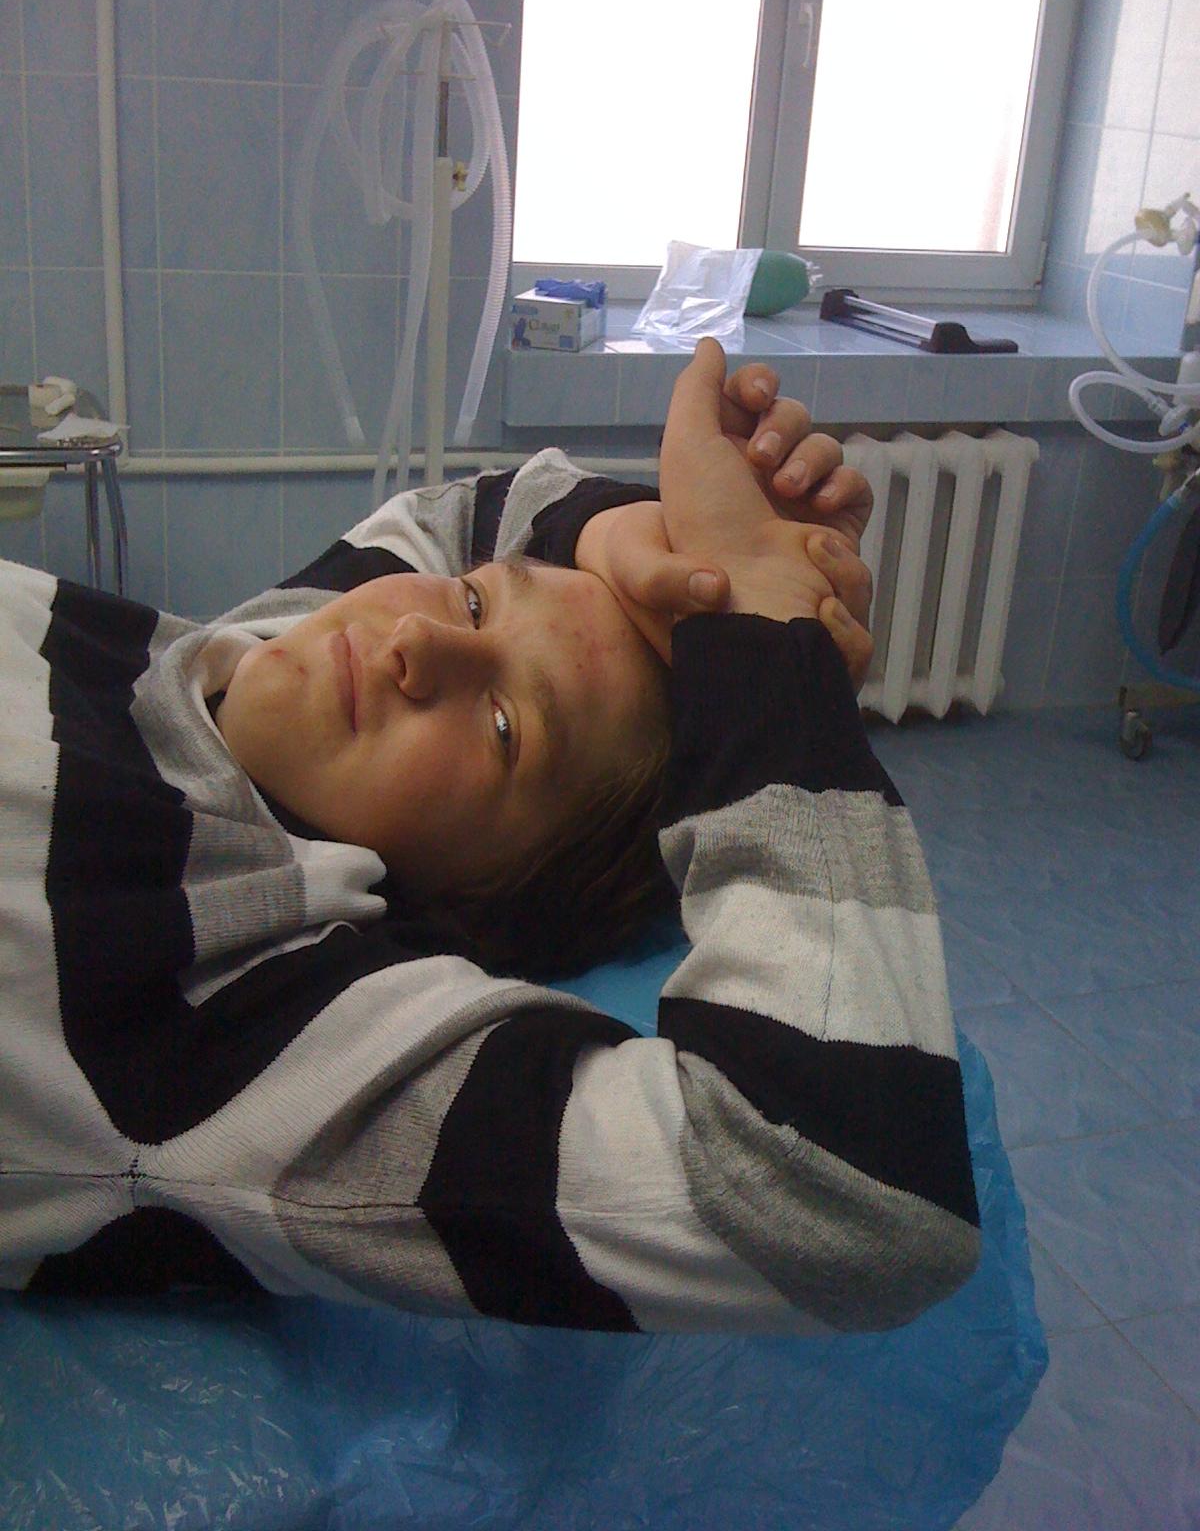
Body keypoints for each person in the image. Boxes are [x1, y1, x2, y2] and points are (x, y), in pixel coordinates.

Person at [0, 342, 980, 1331]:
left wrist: (768, 650)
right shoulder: (270, 643)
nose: (417, 641)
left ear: (482, 910)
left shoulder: (225, 1003)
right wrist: (644, 540)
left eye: (507, 729)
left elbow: (849, 1195)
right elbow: (477, 514)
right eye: (473, 600)